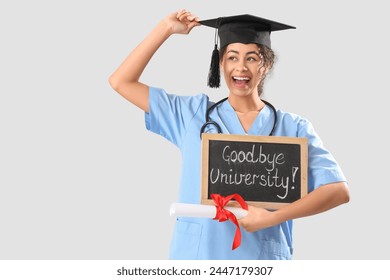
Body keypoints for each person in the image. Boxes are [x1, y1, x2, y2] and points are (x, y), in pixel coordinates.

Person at [109, 9, 350, 260]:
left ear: (266, 65)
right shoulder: (192, 115)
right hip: (198, 259)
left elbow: (338, 190)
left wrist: (274, 217)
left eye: (252, 58)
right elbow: (120, 81)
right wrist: (165, 29)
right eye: (232, 57)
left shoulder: (294, 127)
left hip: (261, 260)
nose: (241, 67)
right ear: (221, 63)